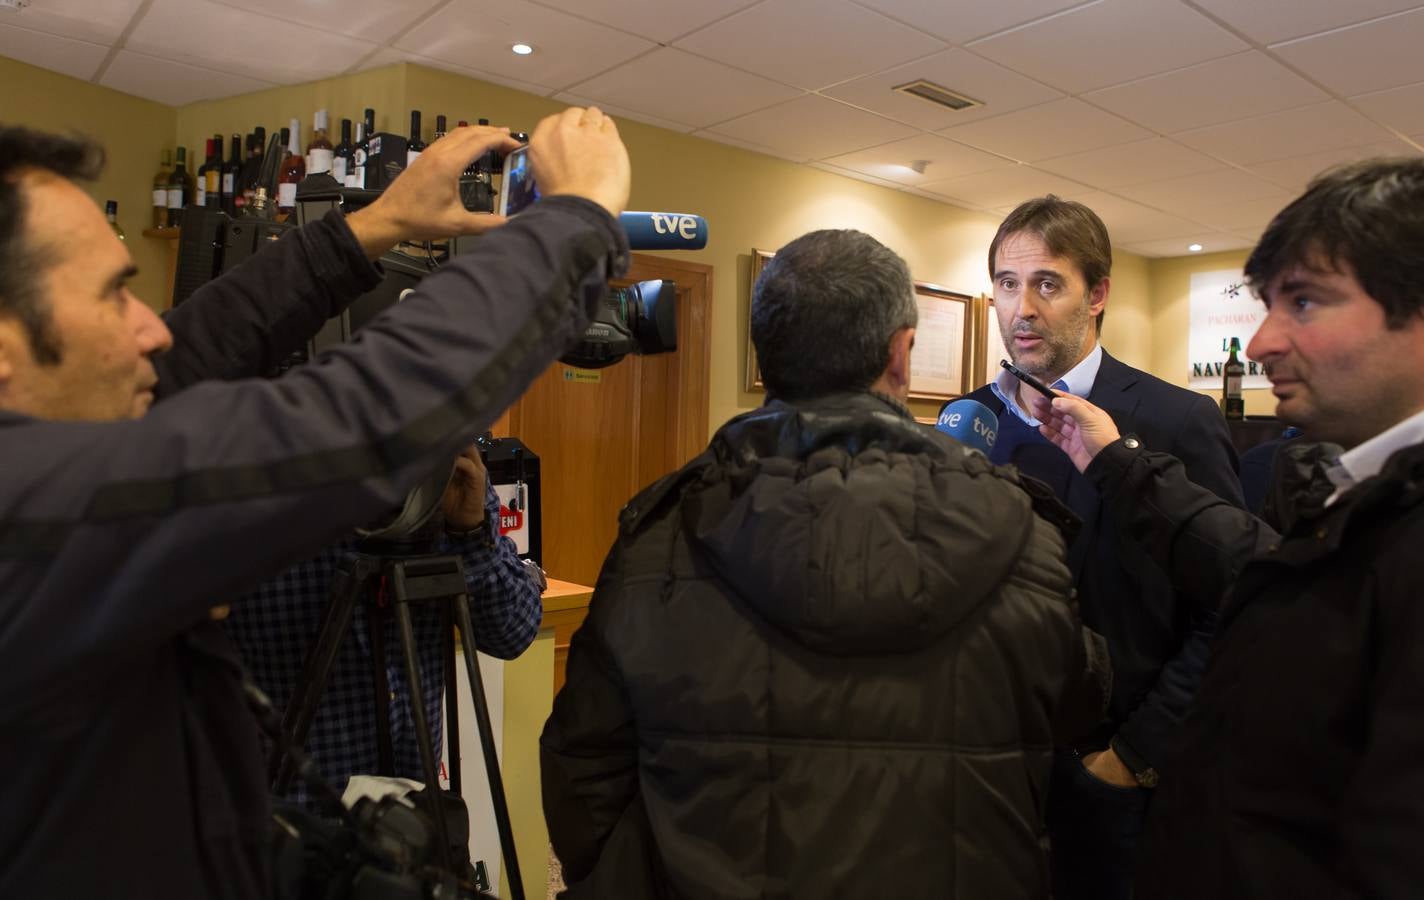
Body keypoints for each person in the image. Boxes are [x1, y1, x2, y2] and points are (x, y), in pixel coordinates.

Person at [0, 108, 630, 899]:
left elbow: (192, 350)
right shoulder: (33, 514)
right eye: (111, 295)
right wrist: (575, 221)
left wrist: (374, 226)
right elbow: (362, 416)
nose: (150, 333)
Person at [541, 228, 1109, 899]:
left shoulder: (656, 538)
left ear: (767, 352)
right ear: (902, 353)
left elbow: (582, 774)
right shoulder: (1017, 532)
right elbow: (1078, 704)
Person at [1031, 157, 1424, 899]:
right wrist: (1114, 462)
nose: (1258, 346)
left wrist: (1138, 755)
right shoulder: (1389, 492)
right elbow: (1248, 564)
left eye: (1305, 303)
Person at [950, 196, 1243, 898]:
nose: (1022, 308)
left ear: (1098, 294)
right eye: (1008, 283)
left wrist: (1138, 755)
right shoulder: (969, 420)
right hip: (985, 770)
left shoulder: (1176, 419)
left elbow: (1233, 603)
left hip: (1115, 776)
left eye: (1048, 284)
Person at [224, 444, 546, 809]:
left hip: (410, 815)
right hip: (284, 813)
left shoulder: (441, 467)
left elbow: (514, 633)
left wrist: (470, 535)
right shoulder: (245, 478)